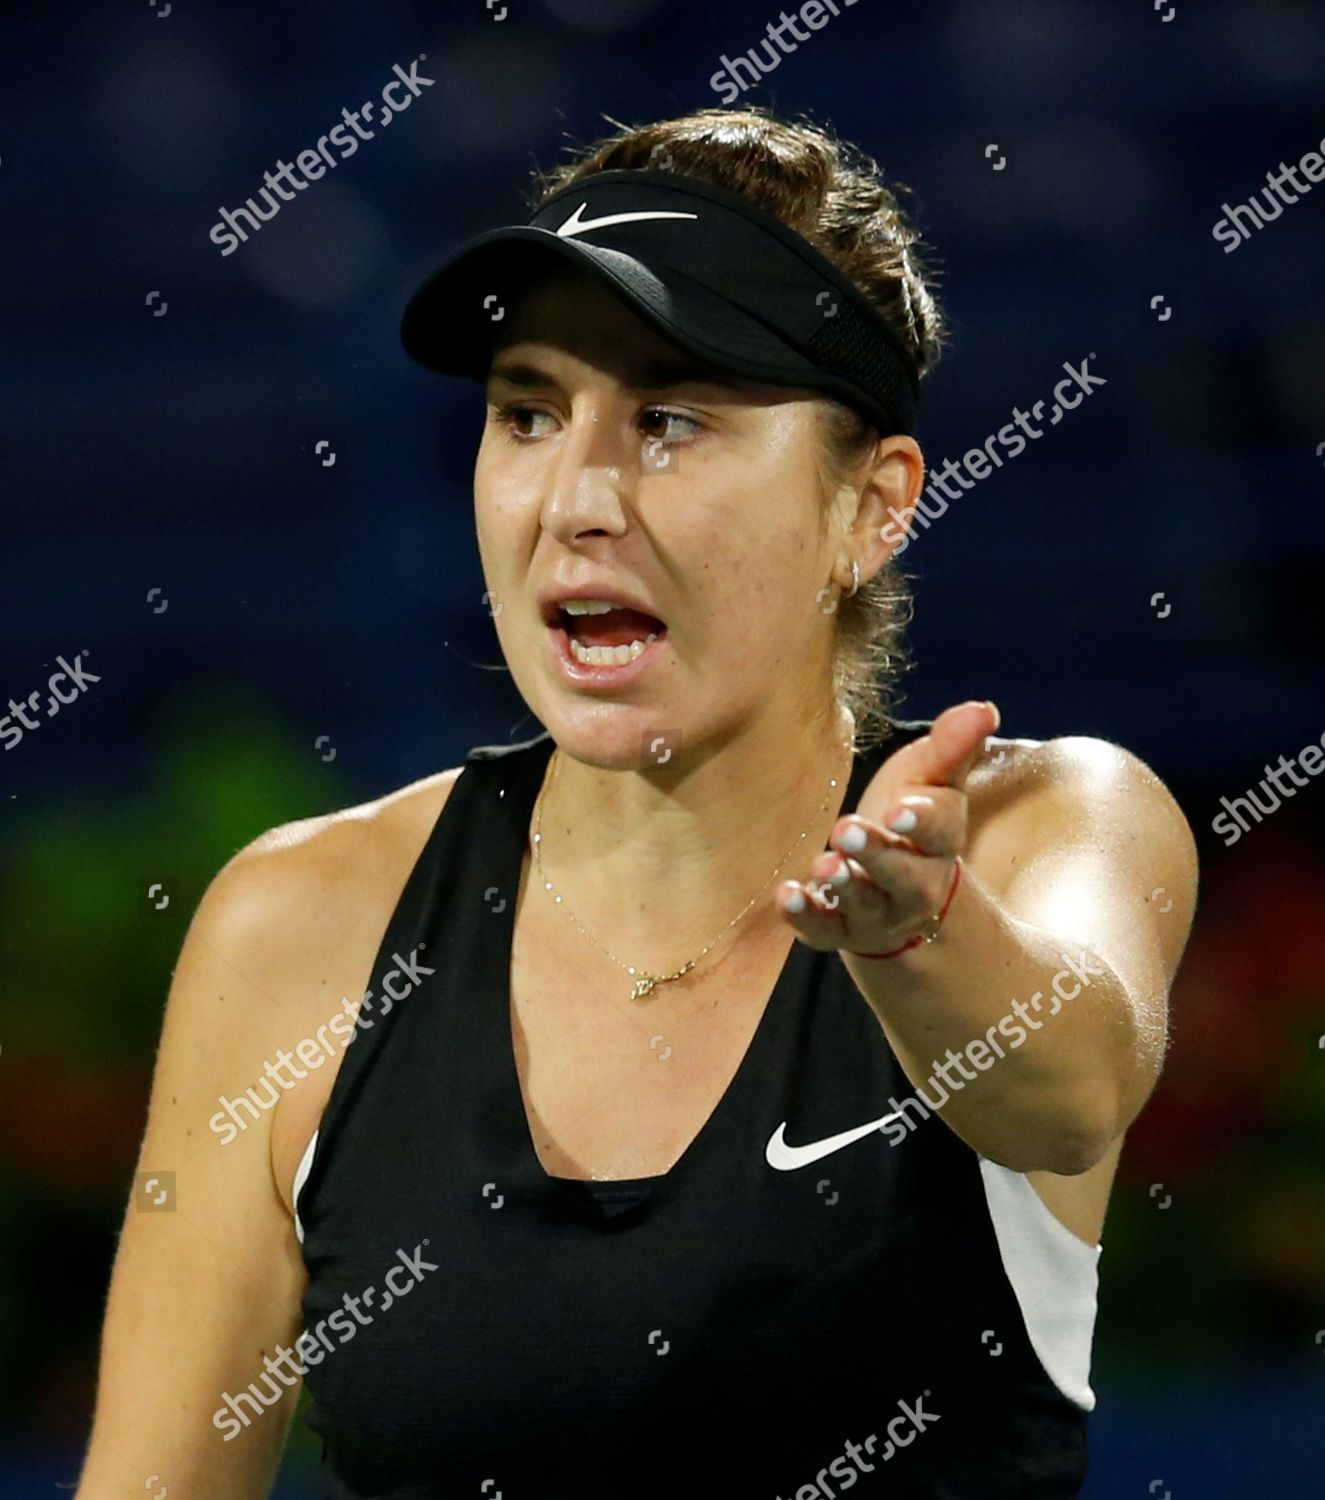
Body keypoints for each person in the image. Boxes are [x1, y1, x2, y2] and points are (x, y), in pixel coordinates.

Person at [75, 107, 1197, 1499]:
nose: (578, 498)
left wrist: (918, 938)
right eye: (528, 412)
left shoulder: (1049, 821)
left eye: (671, 419)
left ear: (871, 506)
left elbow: (1069, 1094)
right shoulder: (294, 924)